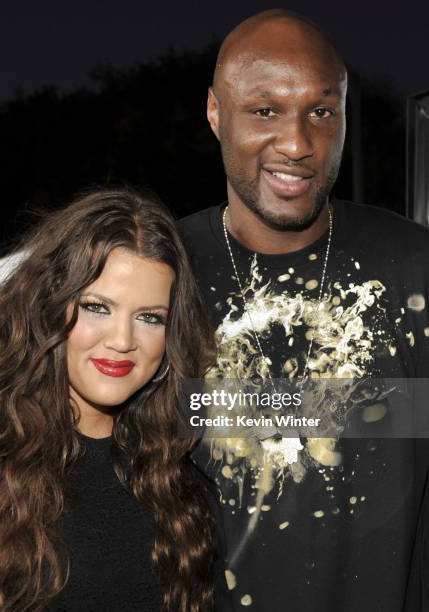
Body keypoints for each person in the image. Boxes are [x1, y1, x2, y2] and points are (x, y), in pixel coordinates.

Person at [179, 9, 429, 612]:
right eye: (264, 111)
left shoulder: (416, 266)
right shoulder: (159, 276)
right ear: (216, 113)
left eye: (322, 111)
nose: (296, 143)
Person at [0, 187, 221, 611]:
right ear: (48, 307)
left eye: (149, 318)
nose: (122, 340)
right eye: (97, 307)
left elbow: (336, 413)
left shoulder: (177, 471)